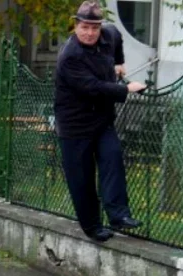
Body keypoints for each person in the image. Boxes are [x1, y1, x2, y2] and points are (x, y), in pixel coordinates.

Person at [54, 1, 147, 242]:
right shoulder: (70, 57)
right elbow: (93, 88)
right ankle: (92, 227)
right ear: (76, 26)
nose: (90, 33)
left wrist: (118, 62)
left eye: (94, 28)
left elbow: (117, 39)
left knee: (112, 159)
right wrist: (126, 89)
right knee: (82, 180)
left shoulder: (109, 34)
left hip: (102, 119)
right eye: (85, 27)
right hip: (74, 126)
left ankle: (119, 216)